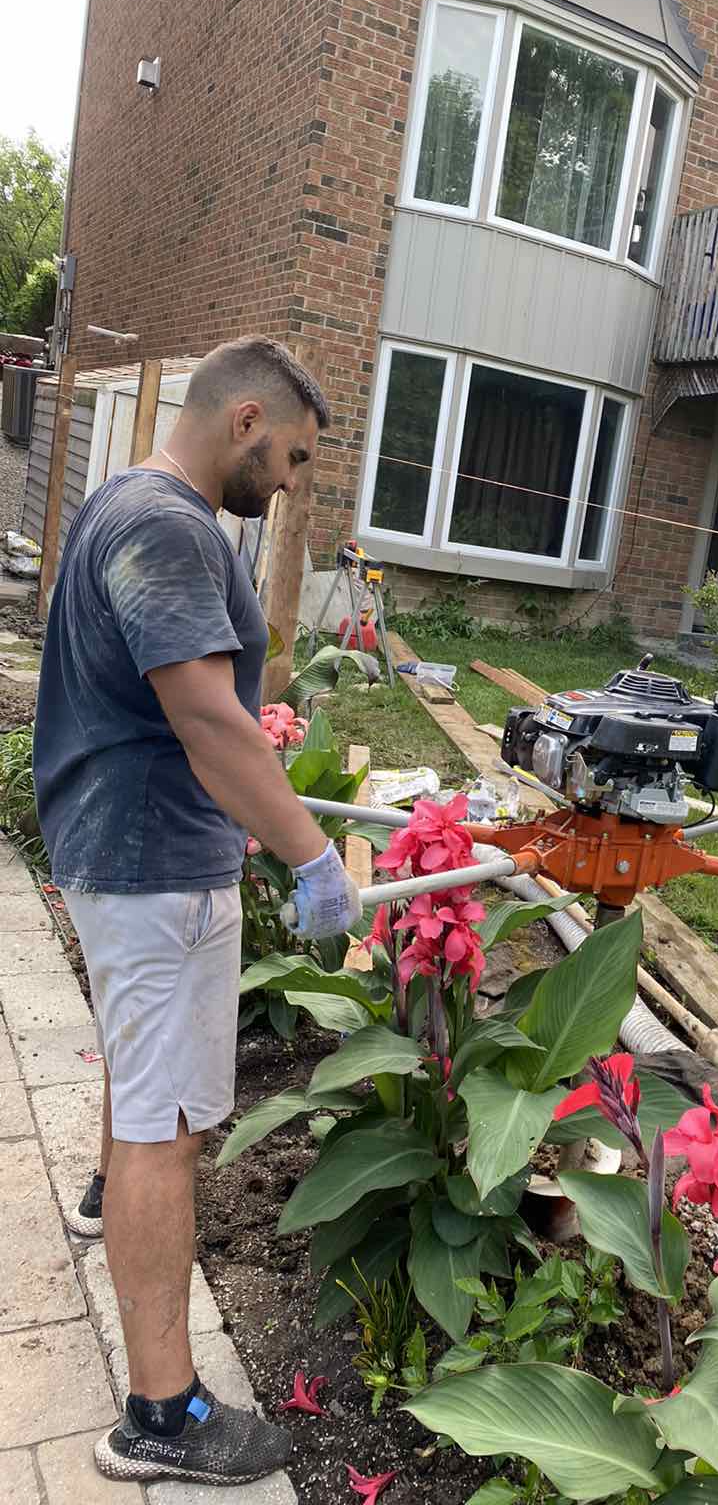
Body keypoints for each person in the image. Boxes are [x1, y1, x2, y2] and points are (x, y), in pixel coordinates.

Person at [33, 336, 362, 1487]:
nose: (289, 482)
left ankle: (100, 1192)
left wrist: (255, 820)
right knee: (165, 1138)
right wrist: (312, 851)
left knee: (144, 1085)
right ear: (245, 417)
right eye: (292, 457)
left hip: (128, 841)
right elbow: (209, 719)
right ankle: (160, 1416)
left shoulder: (125, 500)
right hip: (150, 860)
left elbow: (196, 708)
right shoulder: (171, 527)